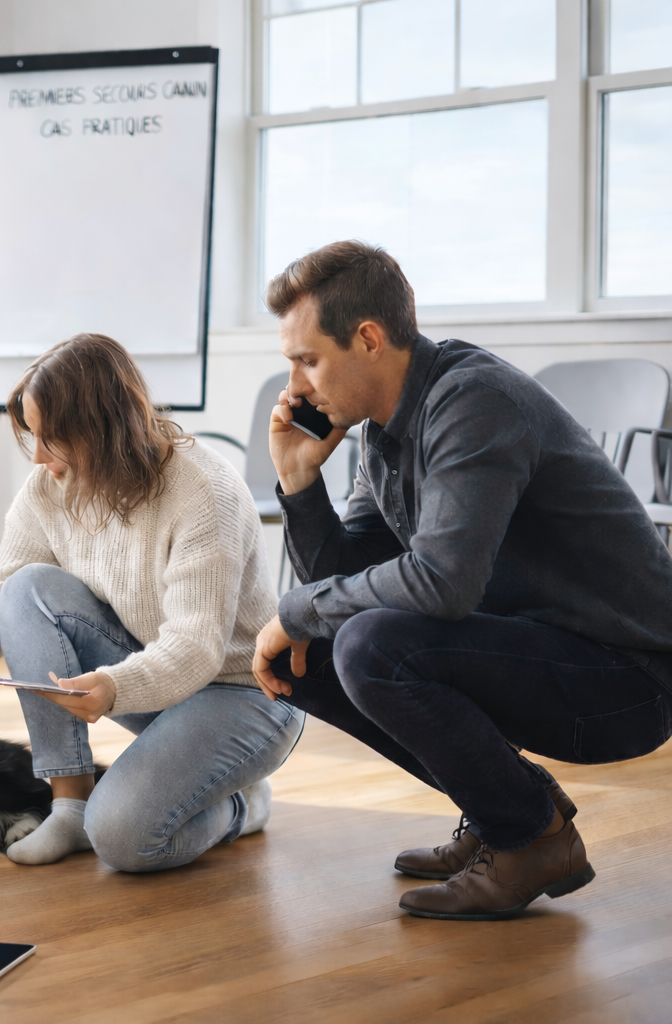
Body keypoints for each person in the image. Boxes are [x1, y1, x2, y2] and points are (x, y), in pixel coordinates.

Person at [251, 240, 672, 921]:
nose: (296, 388)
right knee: (310, 654)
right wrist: (300, 483)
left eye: (307, 360)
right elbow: (341, 582)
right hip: (532, 649)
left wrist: (300, 607)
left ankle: (529, 837)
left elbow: (441, 584)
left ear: (367, 338)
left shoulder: (474, 403)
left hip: (626, 680)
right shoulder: (385, 434)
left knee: (364, 645)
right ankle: (505, 809)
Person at [0, 334, 304, 870]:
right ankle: (70, 803)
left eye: (51, 438)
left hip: (247, 696)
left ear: (104, 429)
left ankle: (242, 803)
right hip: (159, 685)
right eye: (33, 435)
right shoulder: (49, 487)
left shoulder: (202, 490)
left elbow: (195, 648)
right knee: (26, 587)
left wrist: (116, 685)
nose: (38, 457)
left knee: (126, 841)